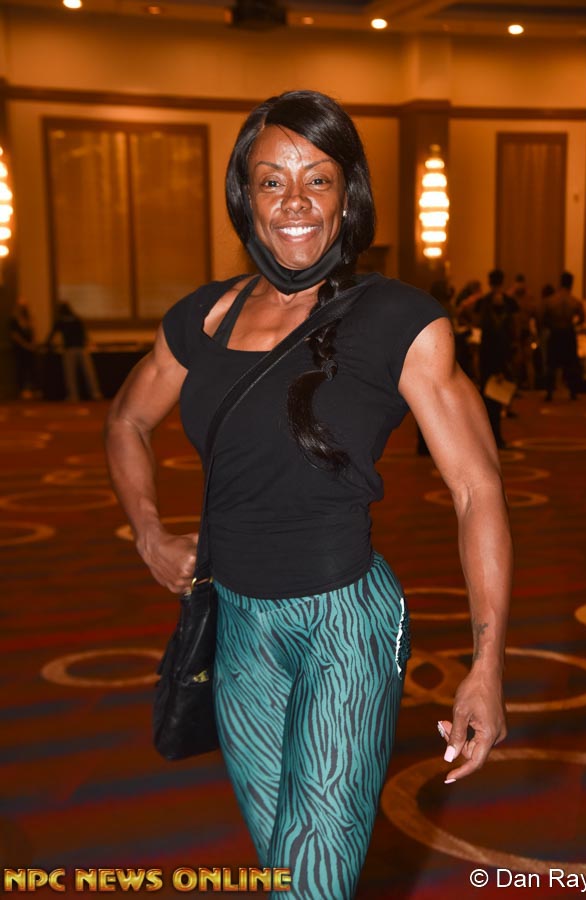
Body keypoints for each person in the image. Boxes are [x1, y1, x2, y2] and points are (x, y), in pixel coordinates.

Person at [105, 90, 511, 900]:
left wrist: (488, 662)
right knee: (289, 874)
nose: (294, 202)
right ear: (244, 197)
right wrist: (148, 532)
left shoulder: (401, 320)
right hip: (239, 633)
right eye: (272, 181)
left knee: (310, 884)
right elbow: (126, 420)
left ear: (347, 195)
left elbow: (477, 489)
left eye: (317, 179)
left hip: (345, 627)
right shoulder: (204, 318)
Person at [472, 268, 518, 449]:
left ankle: (489, 435)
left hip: (487, 354)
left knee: (488, 396)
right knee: (498, 396)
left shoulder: (482, 302)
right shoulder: (509, 302)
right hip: (503, 354)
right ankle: (496, 435)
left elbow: (476, 326)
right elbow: (515, 327)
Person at [541, 271, 585, 401]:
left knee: (551, 364)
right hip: (568, 332)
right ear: (571, 284)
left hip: (555, 332)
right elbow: (582, 318)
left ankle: (549, 392)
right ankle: (573, 392)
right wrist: (573, 324)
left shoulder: (550, 301)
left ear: (560, 283)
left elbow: (543, 317)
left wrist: (550, 325)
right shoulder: (575, 301)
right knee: (572, 364)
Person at [46, 301, 103, 401]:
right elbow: (84, 334)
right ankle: (95, 393)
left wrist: (47, 344)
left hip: (70, 349)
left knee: (70, 374)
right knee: (88, 373)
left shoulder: (61, 321)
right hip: (80, 348)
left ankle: (74, 395)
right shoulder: (76, 319)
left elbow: (52, 335)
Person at [9, 297, 40, 399]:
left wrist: (33, 344)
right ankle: (22, 390)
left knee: (32, 369)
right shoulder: (14, 320)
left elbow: (33, 332)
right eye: (21, 306)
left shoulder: (29, 319)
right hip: (20, 350)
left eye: (25, 306)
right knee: (21, 369)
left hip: (30, 349)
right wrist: (25, 345)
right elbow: (15, 336)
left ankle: (34, 389)